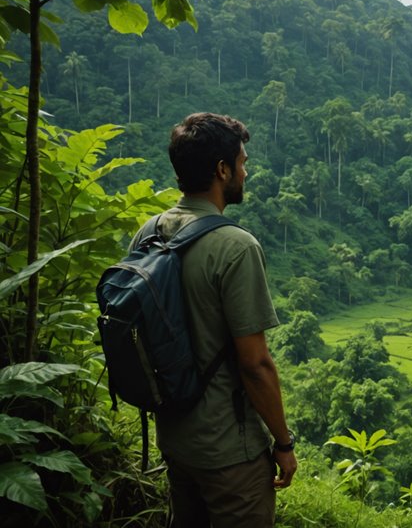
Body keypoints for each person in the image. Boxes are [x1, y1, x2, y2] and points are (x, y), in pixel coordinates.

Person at [131, 113, 297, 527]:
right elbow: (255, 365)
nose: (245, 170)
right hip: (230, 453)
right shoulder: (236, 247)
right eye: (241, 162)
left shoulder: (149, 233)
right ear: (222, 170)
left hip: (175, 439)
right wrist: (283, 442)